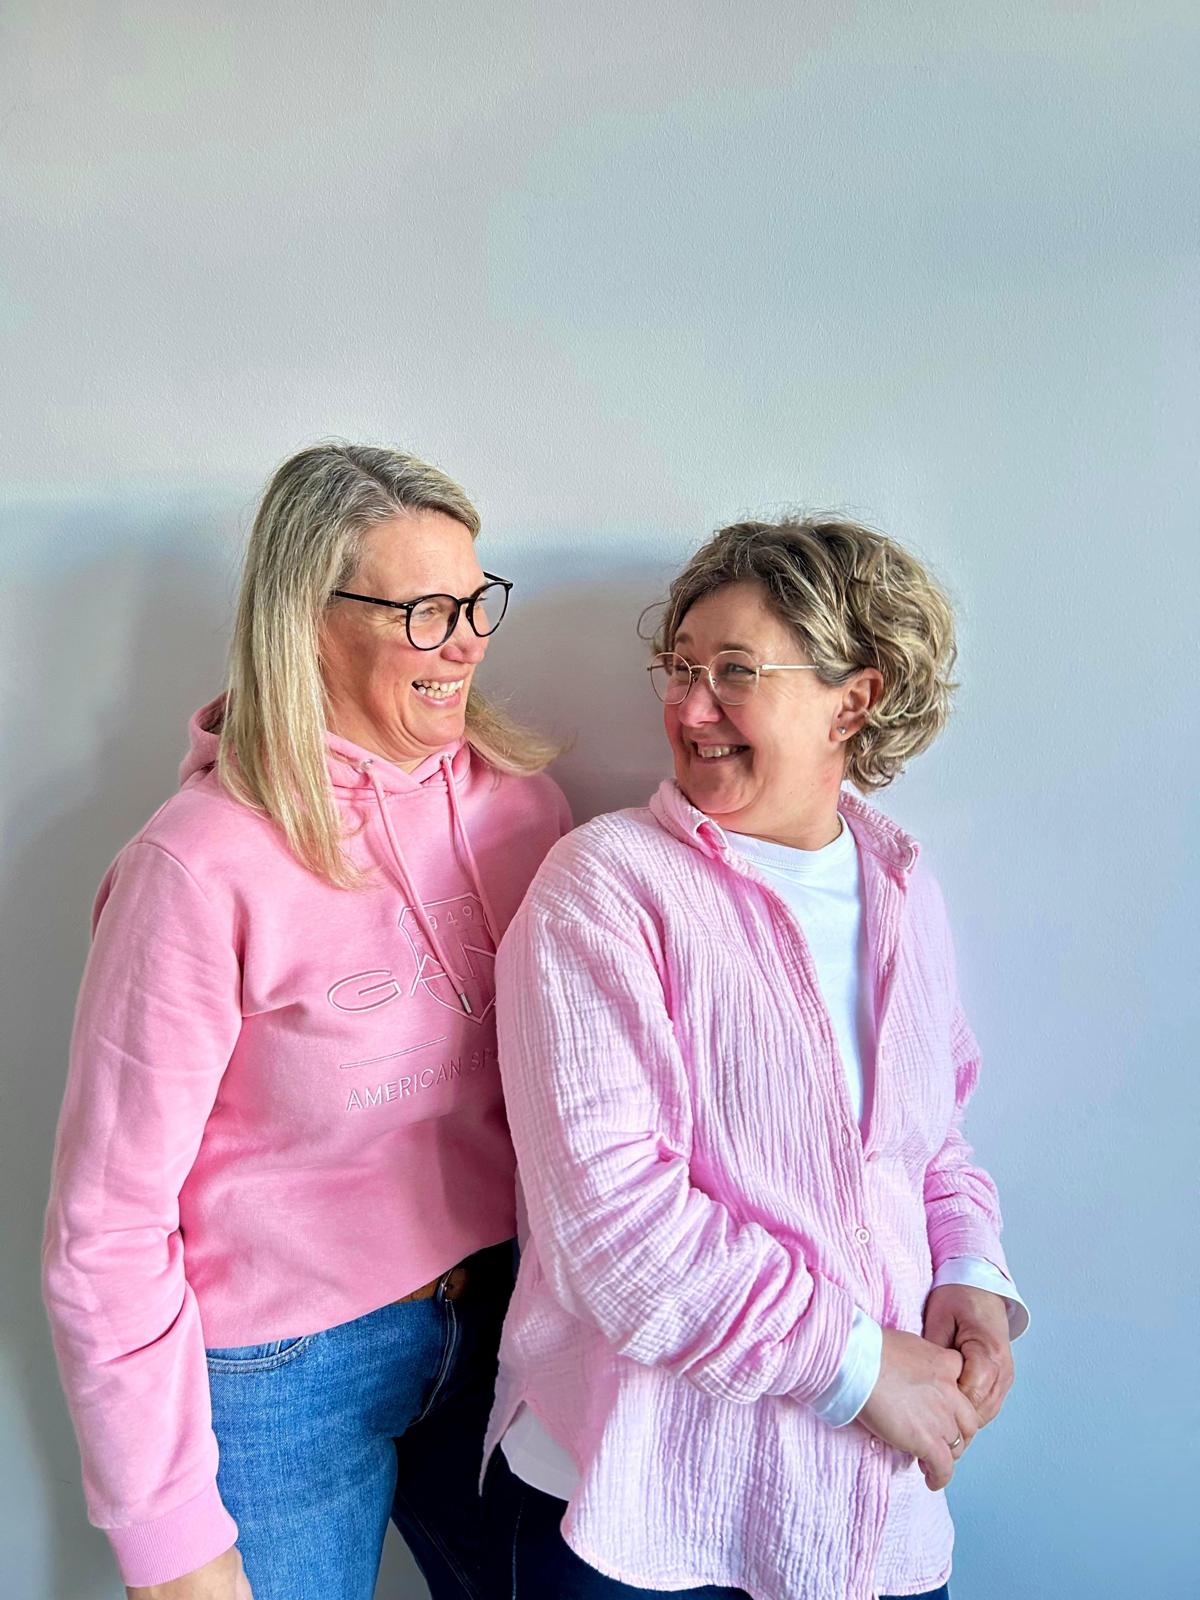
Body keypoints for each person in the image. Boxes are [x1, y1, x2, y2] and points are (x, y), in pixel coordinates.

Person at [42, 443, 570, 1600]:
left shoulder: (523, 808)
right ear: (308, 624)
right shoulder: (197, 868)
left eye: (475, 600)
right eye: (426, 611)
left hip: (501, 1320)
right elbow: (105, 1226)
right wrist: (170, 1546)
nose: (468, 641)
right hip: (284, 1373)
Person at [482, 517, 1028, 1600]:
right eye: (681, 667)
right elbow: (611, 1230)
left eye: (735, 671)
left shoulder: (902, 890)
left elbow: (933, 1144)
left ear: (853, 700)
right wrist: (860, 1367)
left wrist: (970, 1276)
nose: (690, 708)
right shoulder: (604, 888)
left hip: (865, 1507)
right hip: (639, 1509)